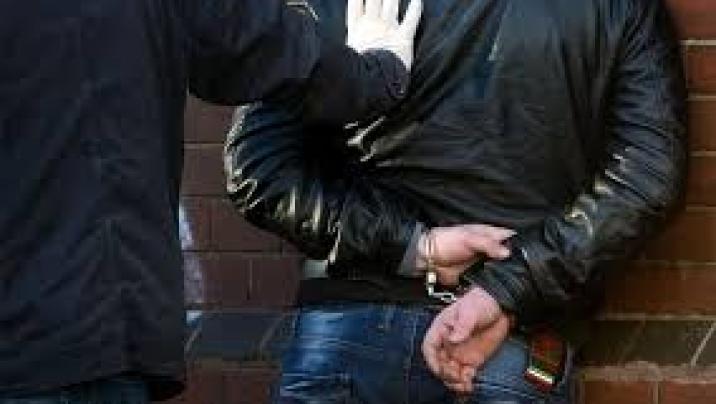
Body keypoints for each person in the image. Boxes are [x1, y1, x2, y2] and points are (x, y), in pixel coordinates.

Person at [225, 0, 687, 402]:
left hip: (350, 329)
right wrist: (507, 287)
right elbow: (645, 180)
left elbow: (259, 169)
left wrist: (416, 246)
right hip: (505, 341)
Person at [0, 0, 423, 402]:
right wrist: (378, 71)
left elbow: (260, 49)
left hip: (77, 342)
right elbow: (262, 45)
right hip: (105, 339)